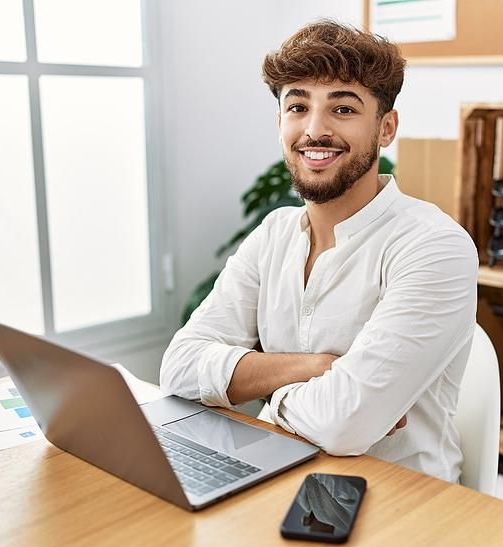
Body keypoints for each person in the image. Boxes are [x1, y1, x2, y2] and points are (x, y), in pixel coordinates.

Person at [160, 20, 478, 482]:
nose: (315, 130)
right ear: (280, 123)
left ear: (386, 128)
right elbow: (179, 368)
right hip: (280, 475)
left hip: (401, 501)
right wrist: (320, 370)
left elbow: (344, 424)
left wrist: (270, 392)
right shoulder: (273, 234)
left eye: (343, 108)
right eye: (297, 106)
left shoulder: (434, 247)